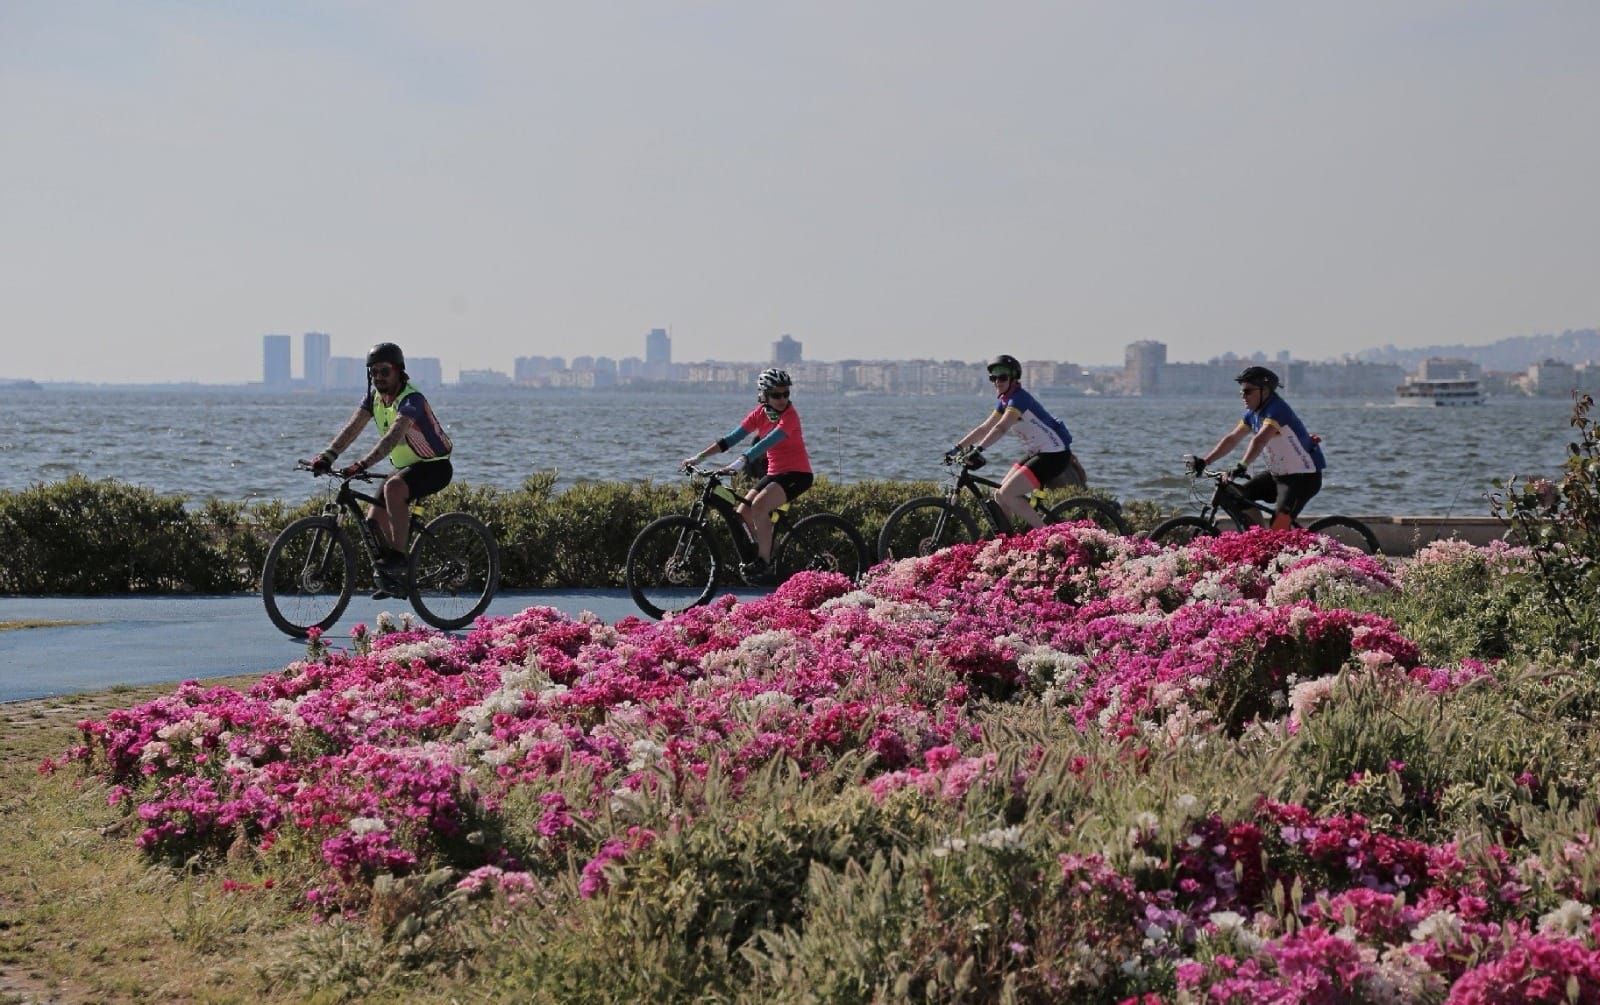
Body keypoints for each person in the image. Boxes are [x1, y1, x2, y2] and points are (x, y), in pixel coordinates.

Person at [306, 342, 454, 598]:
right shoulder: (373, 398)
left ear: (398, 371)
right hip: (407, 467)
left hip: (435, 466)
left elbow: (392, 439)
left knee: (394, 488)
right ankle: (393, 580)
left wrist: (361, 465)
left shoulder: (411, 400)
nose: (378, 378)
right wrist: (327, 456)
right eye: (373, 372)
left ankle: (399, 559)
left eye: (384, 371)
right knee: (373, 521)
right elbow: (351, 429)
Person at [682, 367, 813, 585]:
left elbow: (767, 442)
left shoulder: (790, 417)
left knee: (760, 506)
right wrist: (699, 457)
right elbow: (731, 439)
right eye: (776, 395)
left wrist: (739, 462)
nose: (782, 399)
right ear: (764, 395)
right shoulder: (760, 414)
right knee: (742, 511)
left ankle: (764, 561)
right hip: (775, 473)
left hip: (797, 474)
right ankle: (763, 549)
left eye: (786, 394)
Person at [948, 353, 1077, 531]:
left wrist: (978, 450)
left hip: (1055, 454)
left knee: (1008, 493)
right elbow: (984, 428)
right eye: (993, 378)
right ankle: (1010, 543)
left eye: (1002, 377)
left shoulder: (1019, 399)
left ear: (1013, 378)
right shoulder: (1005, 401)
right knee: (1000, 495)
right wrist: (956, 448)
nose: (997, 382)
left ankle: (1049, 535)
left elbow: (1001, 428)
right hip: (1039, 452)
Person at [1186, 365, 1325, 530]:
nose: (1243, 396)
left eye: (1248, 391)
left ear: (1264, 391)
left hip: (1303, 476)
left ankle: (1305, 551)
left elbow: (1259, 440)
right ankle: (1258, 539)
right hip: (1279, 474)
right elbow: (1232, 439)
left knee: (1278, 528)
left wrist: (1241, 466)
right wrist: (1205, 461)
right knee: (1237, 497)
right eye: (1241, 392)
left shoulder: (1277, 409)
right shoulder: (1253, 414)